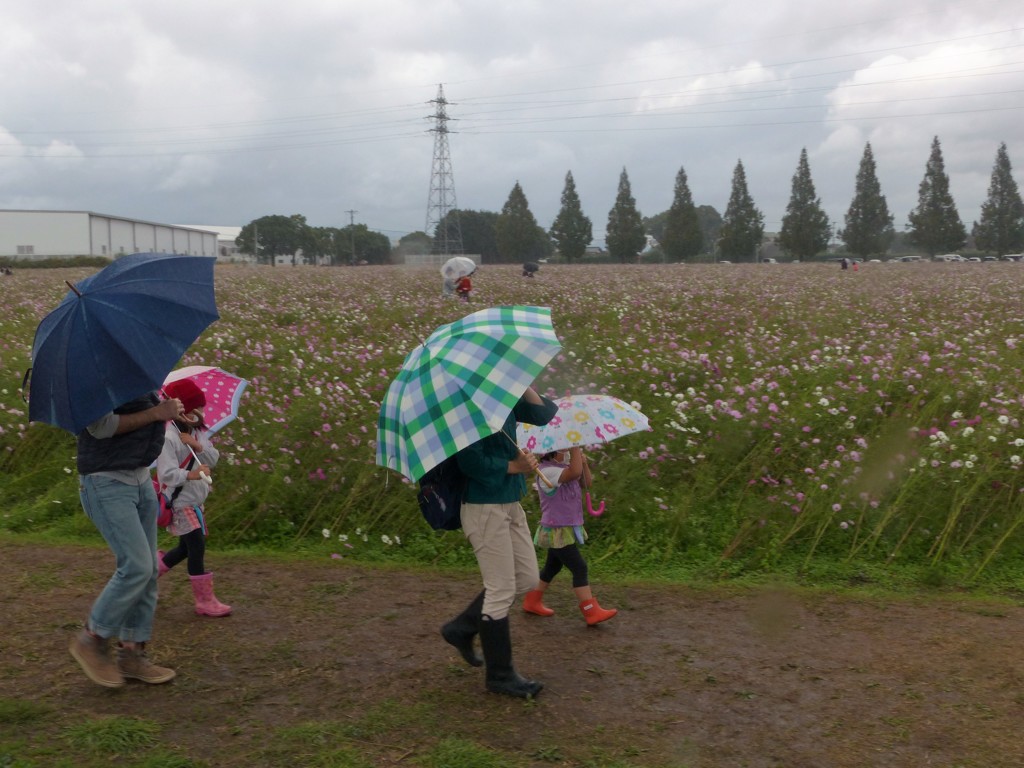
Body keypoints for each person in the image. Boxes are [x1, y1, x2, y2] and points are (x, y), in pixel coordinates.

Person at [441, 385, 558, 698]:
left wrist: (523, 385)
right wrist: (514, 466)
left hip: (509, 501)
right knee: (501, 588)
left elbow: (544, 415)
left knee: (526, 577)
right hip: (482, 507)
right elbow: (470, 463)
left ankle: (461, 628)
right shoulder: (462, 406)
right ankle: (500, 676)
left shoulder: (502, 395)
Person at [69, 391, 183, 688]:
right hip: (105, 482)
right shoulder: (91, 373)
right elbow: (101, 426)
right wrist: (157, 413)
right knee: (137, 567)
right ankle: (91, 639)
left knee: (148, 574)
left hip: (140, 478)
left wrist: (172, 414)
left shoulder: (133, 367)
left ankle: (132, 653)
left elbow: (145, 412)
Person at [156, 379, 232, 617]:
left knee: (185, 548)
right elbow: (166, 474)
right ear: (179, 409)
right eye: (192, 409)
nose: (198, 413)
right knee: (196, 545)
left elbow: (213, 458)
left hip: (196, 501)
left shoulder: (199, 431)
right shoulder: (168, 437)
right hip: (180, 503)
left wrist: (197, 446)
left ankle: (150, 572)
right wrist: (191, 474)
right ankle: (204, 601)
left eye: (199, 408)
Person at [523, 447, 617, 625]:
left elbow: (586, 482)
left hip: (565, 528)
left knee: (552, 567)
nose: (567, 451)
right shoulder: (547, 472)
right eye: (565, 448)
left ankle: (532, 601)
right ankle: (591, 611)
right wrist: (575, 448)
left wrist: (584, 463)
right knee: (579, 568)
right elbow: (574, 473)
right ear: (552, 451)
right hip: (557, 530)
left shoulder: (564, 467)